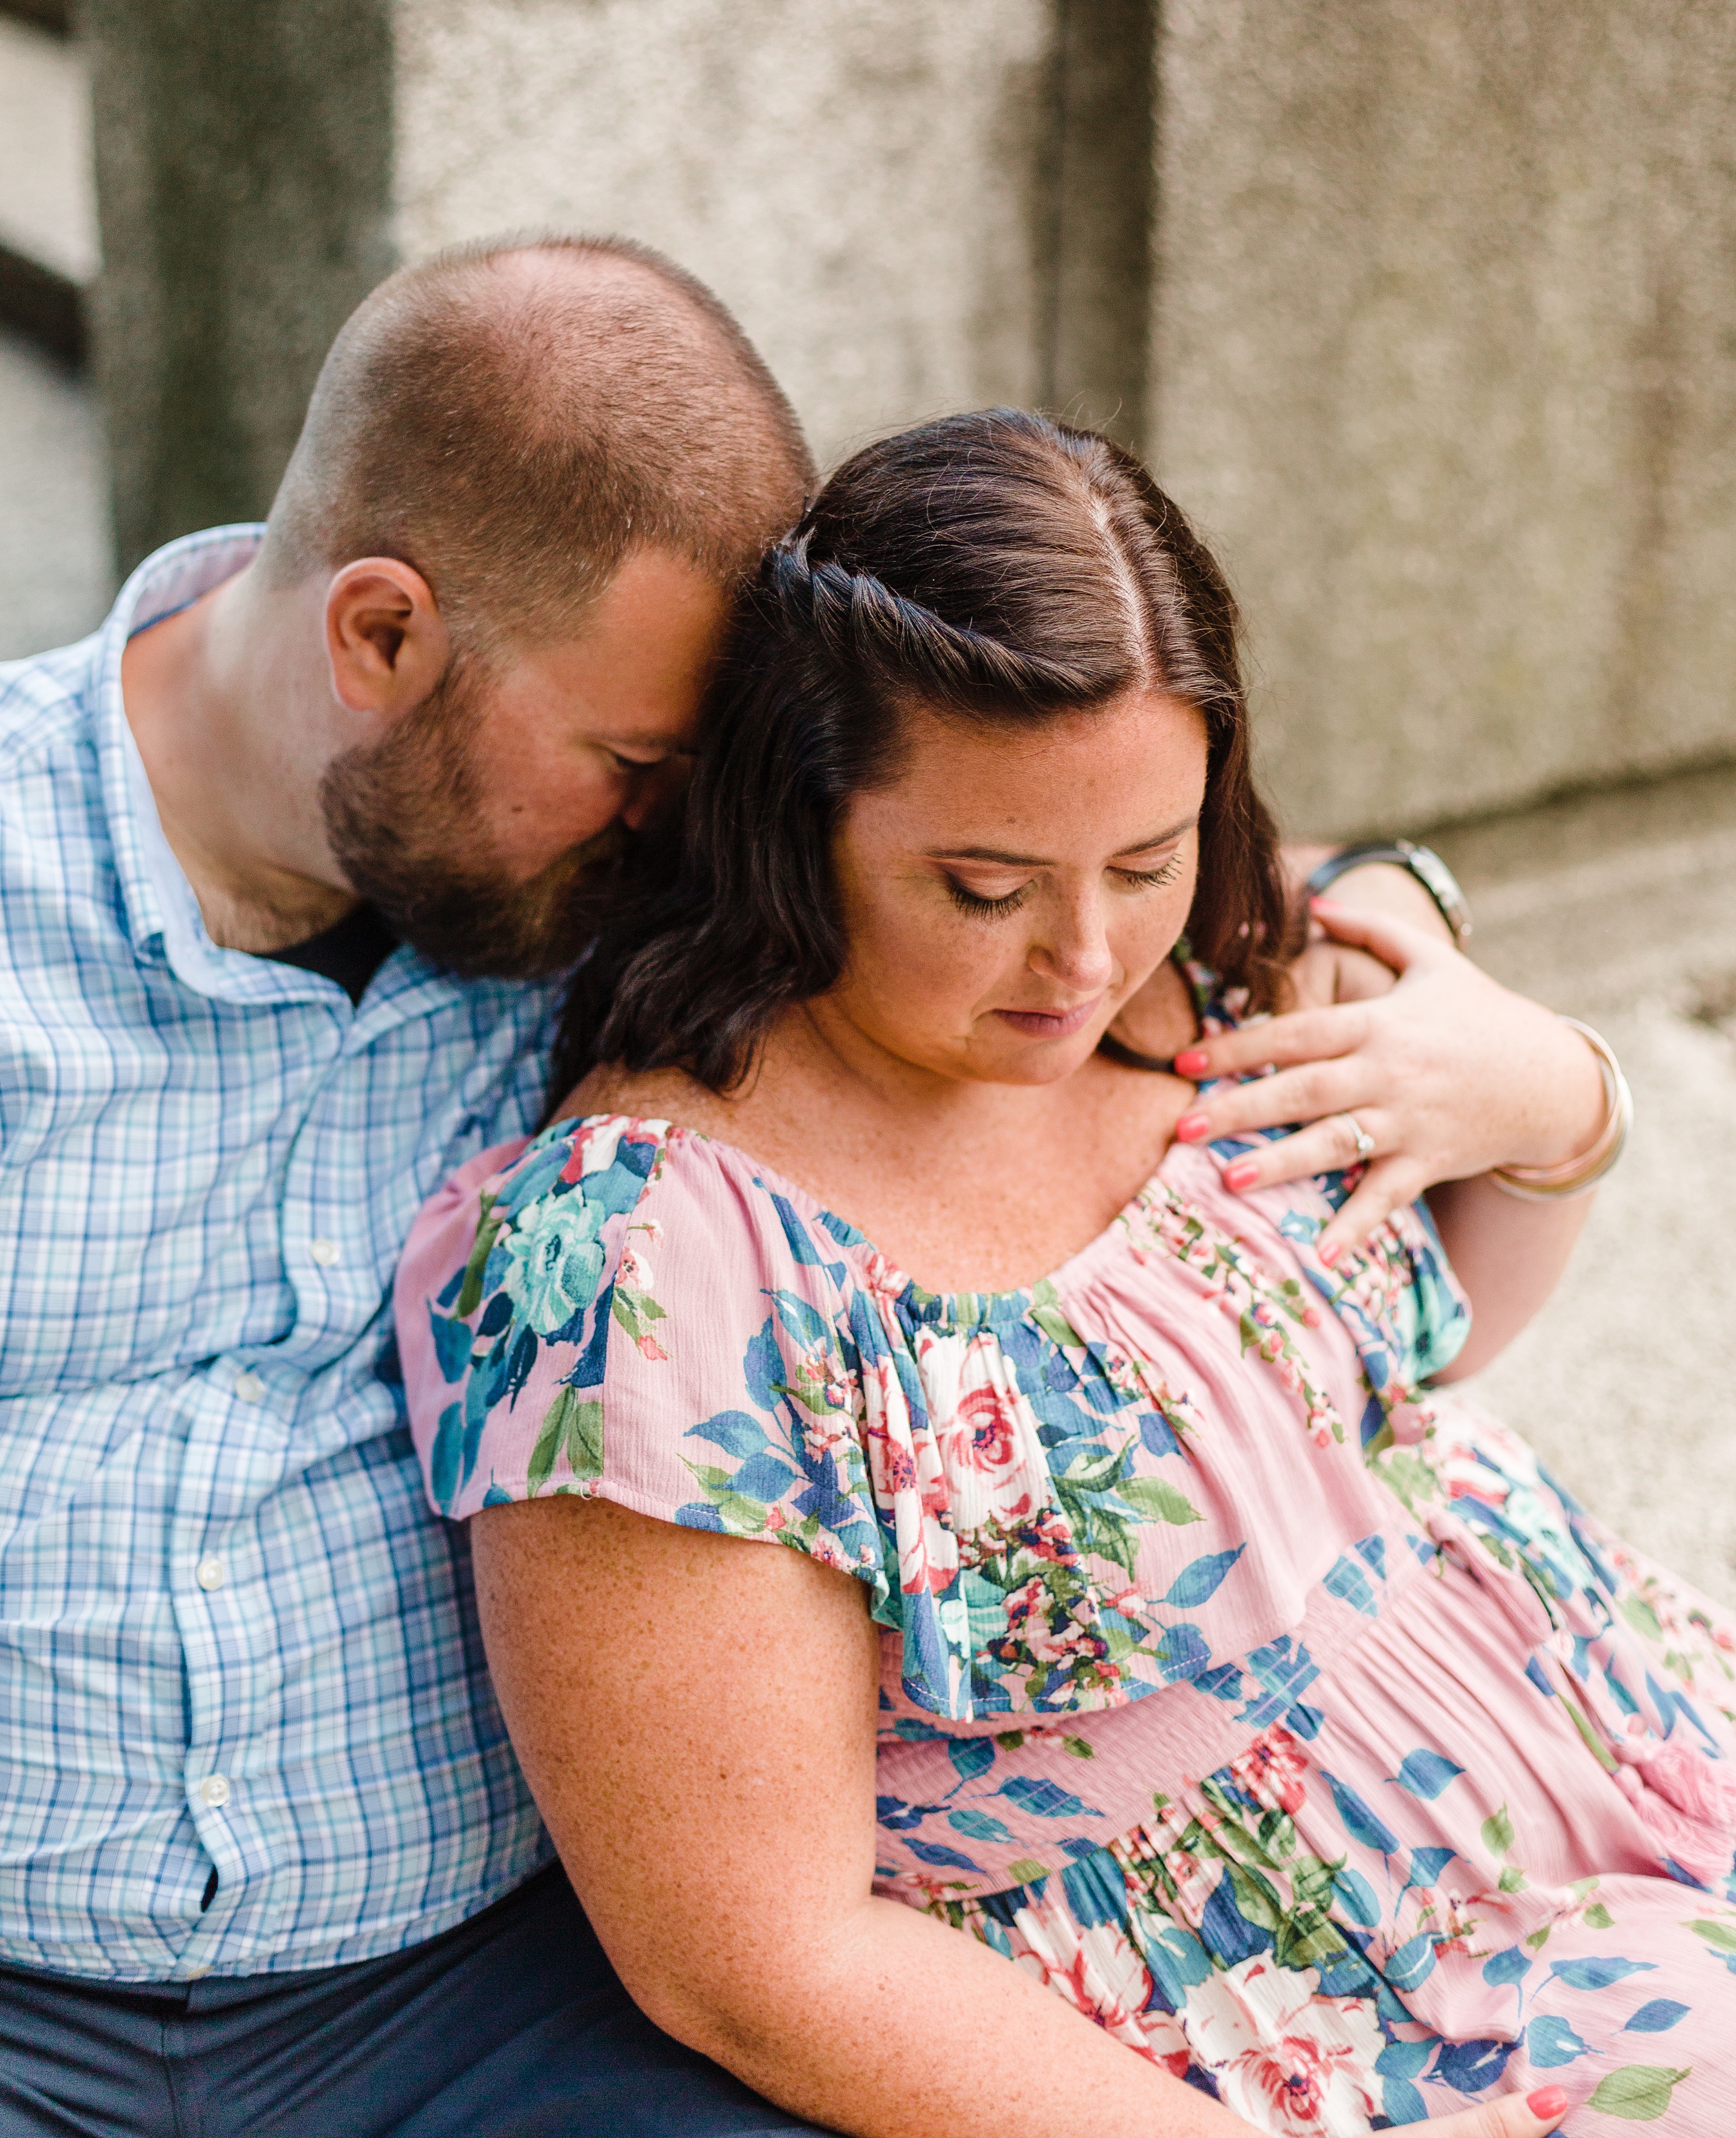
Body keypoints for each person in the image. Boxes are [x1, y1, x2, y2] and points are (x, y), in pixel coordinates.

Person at [0, 234, 1599, 2138]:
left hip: (481, 1991)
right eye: (642, 760)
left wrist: (1458, 962)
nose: (697, 822)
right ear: (379, 637)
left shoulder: (622, 881)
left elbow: (1068, 844)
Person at [397, 409, 1736, 2135]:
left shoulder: (1206, 958)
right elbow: (755, 1958)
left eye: (1146, 858)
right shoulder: (653, 1266)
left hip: (1611, 1732)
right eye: (984, 885)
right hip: (1304, 1996)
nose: (1086, 958)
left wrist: (1558, 1102)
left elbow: (1415, 1367)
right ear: (798, 819)